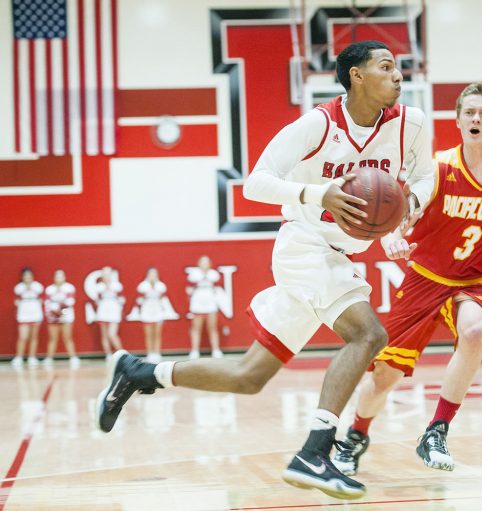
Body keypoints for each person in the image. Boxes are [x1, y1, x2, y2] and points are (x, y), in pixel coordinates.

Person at [95, 40, 434, 500]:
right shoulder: (319, 124)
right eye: (386, 67)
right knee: (369, 335)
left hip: (339, 254)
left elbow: (426, 174)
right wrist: (319, 195)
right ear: (356, 75)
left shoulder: (410, 124)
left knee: (248, 377)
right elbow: (255, 183)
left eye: (398, 68)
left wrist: (411, 201)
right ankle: (315, 454)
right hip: (306, 245)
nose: (398, 75)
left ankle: (141, 371)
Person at [333, 83, 482, 475]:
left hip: (476, 280)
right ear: (457, 119)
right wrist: (394, 236)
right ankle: (355, 435)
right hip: (426, 279)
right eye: (469, 113)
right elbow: (407, 207)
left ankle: (436, 431)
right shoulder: (438, 167)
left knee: (474, 330)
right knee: (384, 377)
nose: (476, 120)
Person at [186, 256, 223, 359]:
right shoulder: (193, 275)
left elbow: (218, 288)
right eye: (202, 262)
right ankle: (194, 351)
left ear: (210, 264)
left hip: (211, 304)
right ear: (198, 263)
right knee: (196, 328)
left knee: (212, 328)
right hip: (197, 304)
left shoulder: (214, 274)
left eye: (207, 262)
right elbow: (188, 289)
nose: (204, 264)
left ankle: (216, 350)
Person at [42, 270, 80, 368]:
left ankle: (73, 357)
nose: (59, 279)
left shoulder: (69, 288)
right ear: (54, 278)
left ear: (64, 277)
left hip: (66, 316)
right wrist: (53, 313)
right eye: (57, 276)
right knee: (53, 338)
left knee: (67, 338)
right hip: (53, 317)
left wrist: (59, 311)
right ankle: (49, 358)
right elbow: (47, 303)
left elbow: (70, 301)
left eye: (61, 276)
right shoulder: (49, 289)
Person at [11, 268, 44, 368]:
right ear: (22, 277)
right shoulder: (19, 287)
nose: (28, 278)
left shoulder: (37, 286)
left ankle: (32, 357)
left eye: (29, 276)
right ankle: (19, 357)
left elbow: (42, 297)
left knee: (34, 336)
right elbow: (16, 299)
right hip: (24, 313)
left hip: (35, 312)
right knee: (23, 337)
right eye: (25, 276)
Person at [138, 268, 168, 363]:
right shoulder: (143, 286)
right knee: (148, 333)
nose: (152, 277)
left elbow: (163, 298)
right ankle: (150, 353)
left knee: (157, 333)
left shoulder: (161, 286)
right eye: (151, 275)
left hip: (158, 310)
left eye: (154, 275)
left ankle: (157, 353)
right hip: (147, 310)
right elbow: (139, 298)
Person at [95, 266, 125, 358]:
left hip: (114, 309)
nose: (106, 276)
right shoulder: (99, 286)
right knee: (104, 334)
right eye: (104, 274)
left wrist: (119, 308)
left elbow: (122, 298)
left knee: (112, 334)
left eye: (108, 274)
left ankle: (123, 355)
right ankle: (108, 355)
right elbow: (96, 299)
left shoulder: (117, 285)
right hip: (103, 309)